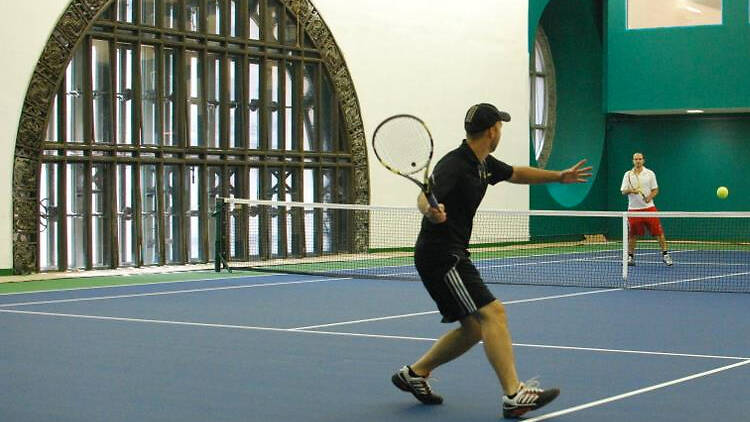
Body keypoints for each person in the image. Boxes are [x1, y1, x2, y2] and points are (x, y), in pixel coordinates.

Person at [391, 103, 592, 419]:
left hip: (450, 252)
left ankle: (414, 374)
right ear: (492, 130)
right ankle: (514, 394)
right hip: (441, 255)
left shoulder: (483, 163)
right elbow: (424, 195)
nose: (501, 131)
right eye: (501, 126)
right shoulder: (454, 165)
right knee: (493, 313)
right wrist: (428, 209)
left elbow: (516, 173)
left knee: (473, 329)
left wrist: (558, 176)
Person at [620, 152, 672, 267]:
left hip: (649, 209)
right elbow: (623, 191)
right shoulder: (627, 175)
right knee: (633, 235)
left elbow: (655, 190)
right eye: (635, 159)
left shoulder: (649, 174)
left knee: (659, 233)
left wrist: (649, 197)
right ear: (633, 161)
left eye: (640, 159)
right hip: (633, 210)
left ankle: (665, 254)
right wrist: (631, 191)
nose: (638, 161)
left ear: (643, 160)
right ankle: (630, 257)